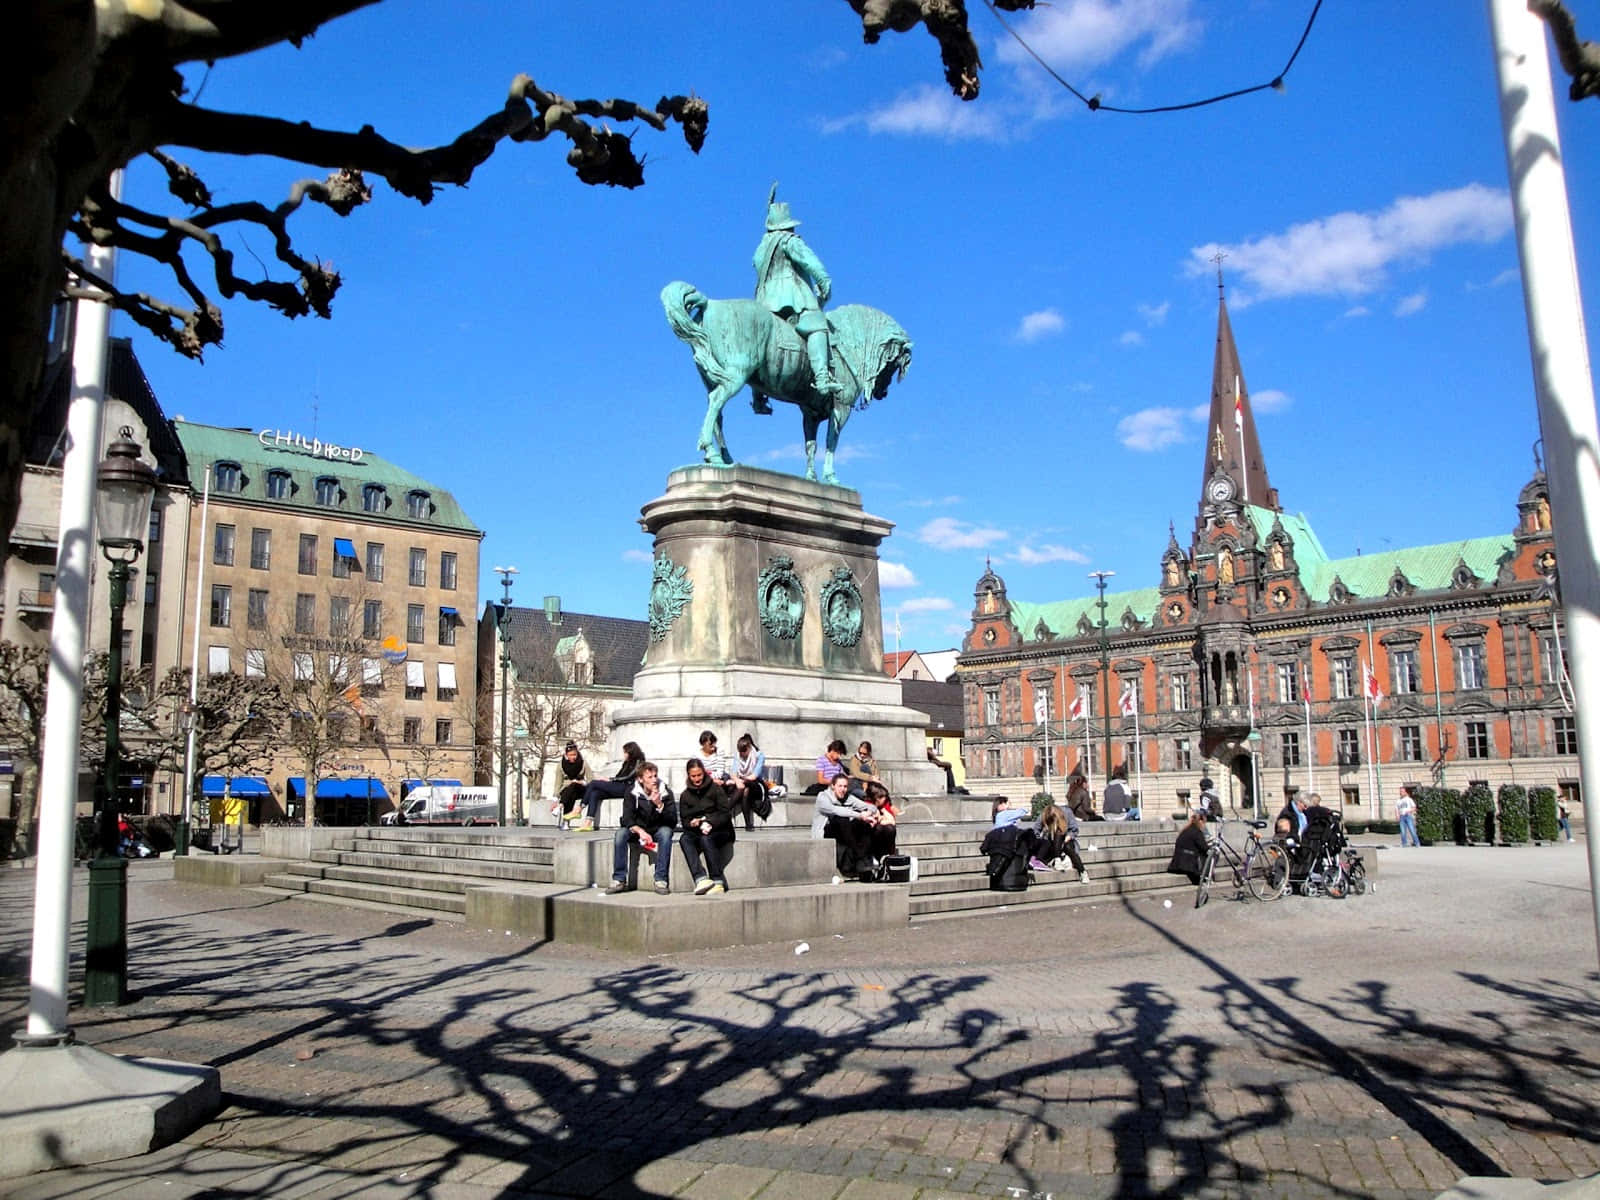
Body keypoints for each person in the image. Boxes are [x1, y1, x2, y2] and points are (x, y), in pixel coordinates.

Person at [753, 182, 838, 411]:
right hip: (791, 297)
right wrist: (824, 283)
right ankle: (822, 377)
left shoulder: (762, 246)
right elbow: (812, 263)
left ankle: (759, 398)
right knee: (818, 326)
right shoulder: (790, 241)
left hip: (764, 302)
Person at [606, 762, 678, 895]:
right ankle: (619, 879)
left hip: (656, 829)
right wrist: (640, 831)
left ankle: (661, 879)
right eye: (650, 777)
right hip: (637, 829)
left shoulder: (665, 792)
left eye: (655, 776)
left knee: (666, 833)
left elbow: (672, 820)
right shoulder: (632, 792)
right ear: (640, 779)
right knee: (621, 834)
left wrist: (660, 805)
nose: (654, 780)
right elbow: (627, 818)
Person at [678, 758, 735, 895]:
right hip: (697, 830)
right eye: (693, 776)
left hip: (720, 829)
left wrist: (708, 821)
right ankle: (700, 878)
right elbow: (685, 820)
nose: (697, 779)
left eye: (699, 775)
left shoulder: (715, 789)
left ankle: (717, 880)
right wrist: (693, 823)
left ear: (704, 773)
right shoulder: (685, 796)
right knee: (684, 839)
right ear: (688, 775)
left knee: (706, 838)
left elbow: (725, 813)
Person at [811, 773, 883, 881]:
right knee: (842, 819)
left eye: (845, 786)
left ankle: (863, 863)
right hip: (826, 833)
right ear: (833, 786)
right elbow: (836, 810)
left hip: (844, 833)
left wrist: (871, 812)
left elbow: (869, 806)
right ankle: (862, 860)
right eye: (840, 786)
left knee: (864, 824)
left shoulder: (848, 797)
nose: (843, 789)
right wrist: (860, 815)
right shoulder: (823, 797)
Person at [575, 741, 645, 833]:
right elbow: (620, 775)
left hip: (627, 787)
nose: (624, 754)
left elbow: (629, 776)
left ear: (631, 752)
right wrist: (612, 780)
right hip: (620, 785)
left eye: (625, 752)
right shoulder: (626, 763)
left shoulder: (639, 762)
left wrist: (611, 780)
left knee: (594, 783)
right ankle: (588, 822)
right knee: (595, 793)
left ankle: (579, 808)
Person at [1029, 803, 1089, 884]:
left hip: (1066, 840)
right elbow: (1036, 830)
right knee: (1056, 834)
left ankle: (1082, 871)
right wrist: (1040, 841)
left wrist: (1069, 837)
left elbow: (1074, 829)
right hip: (1050, 841)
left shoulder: (1067, 812)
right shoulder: (1044, 814)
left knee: (1066, 843)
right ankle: (1057, 860)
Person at [730, 732, 766, 831]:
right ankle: (748, 824)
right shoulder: (738, 755)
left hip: (756, 784)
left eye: (744, 751)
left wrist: (740, 781)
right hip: (743, 783)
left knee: (746, 786)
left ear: (749, 748)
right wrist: (737, 781)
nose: (742, 754)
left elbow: (754, 775)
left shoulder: (759, 756)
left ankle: (724, 812)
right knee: (745, 790)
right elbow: (733, 772)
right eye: (740, 751)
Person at [1167, 810, 1210, 886]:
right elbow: (1204, 848)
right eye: (1204, 823)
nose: (1204, 825)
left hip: (1177, 863)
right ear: (1200, 821)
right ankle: (1205, 876)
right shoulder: (1197, 832)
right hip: (1188, 865)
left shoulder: (1186, 830)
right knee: (1209, 855)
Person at [555, 742, 588, 821]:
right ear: (566, 755)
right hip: (566, 789)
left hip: (580, 788)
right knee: (571, 792)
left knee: (574, 785)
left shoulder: (583, 763)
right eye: (571, 755)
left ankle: (560, 806)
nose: (573, 757)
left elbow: (591, 779)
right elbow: (558, 782)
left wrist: (582, 782)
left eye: (575, 754)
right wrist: (555, 797)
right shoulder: (561, 765)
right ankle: (566, 820)